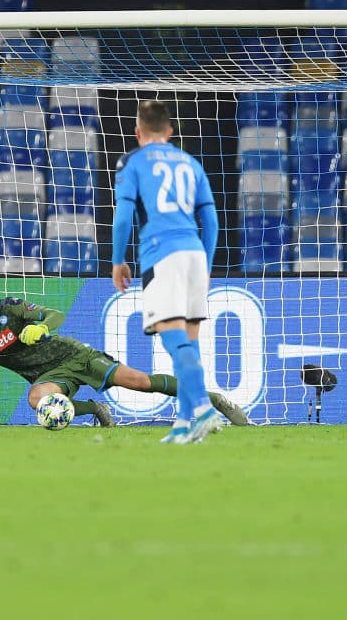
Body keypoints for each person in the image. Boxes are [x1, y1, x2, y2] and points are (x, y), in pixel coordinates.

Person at [0, 272, 249, 427]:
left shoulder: (12, 308)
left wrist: (40, 326)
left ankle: (214, 400)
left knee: (140, 382)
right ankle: (92, 407)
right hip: (50, 377)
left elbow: (55, 313)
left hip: (73, 355)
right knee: (38, 399)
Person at [110, 100, 222, 444]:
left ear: (137, 132)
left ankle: (204, 408)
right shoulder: (190, 162)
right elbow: (212, 219)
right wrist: (207, 263)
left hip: (163, 253)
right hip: (194, 253)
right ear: (171, 132)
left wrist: (118, 259)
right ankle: (185, 424)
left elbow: (124, 214)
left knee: (172, 338)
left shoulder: (132, 161)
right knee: (189, 341)